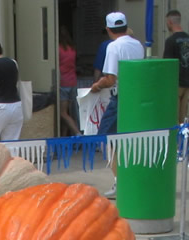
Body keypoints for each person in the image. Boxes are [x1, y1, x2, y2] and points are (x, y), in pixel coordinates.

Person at [90, 12, 144, 198]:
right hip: (136, 97)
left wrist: (97, 85)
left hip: (119, 98)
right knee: (128, 140)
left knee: (107, 139)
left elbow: (111, 79)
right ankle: (129, 180)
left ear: (108, 29)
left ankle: (120, 182)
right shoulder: (137, 44)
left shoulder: (113, 47)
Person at [163, 9, 189, 124]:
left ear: (169, 22)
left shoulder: (170, 41)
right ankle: (184, 140)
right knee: (183, 117)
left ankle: (175, 141)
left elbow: (167, 65)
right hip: (187, 82)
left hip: (175, 84)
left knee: (173, 117)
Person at [58, 27, 81, 137]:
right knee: (67, 112)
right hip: (73, 82)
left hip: (63, 83)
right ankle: (64, 136)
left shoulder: (58, 49)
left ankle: (77, 133)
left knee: (62, 113)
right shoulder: (72, 49)